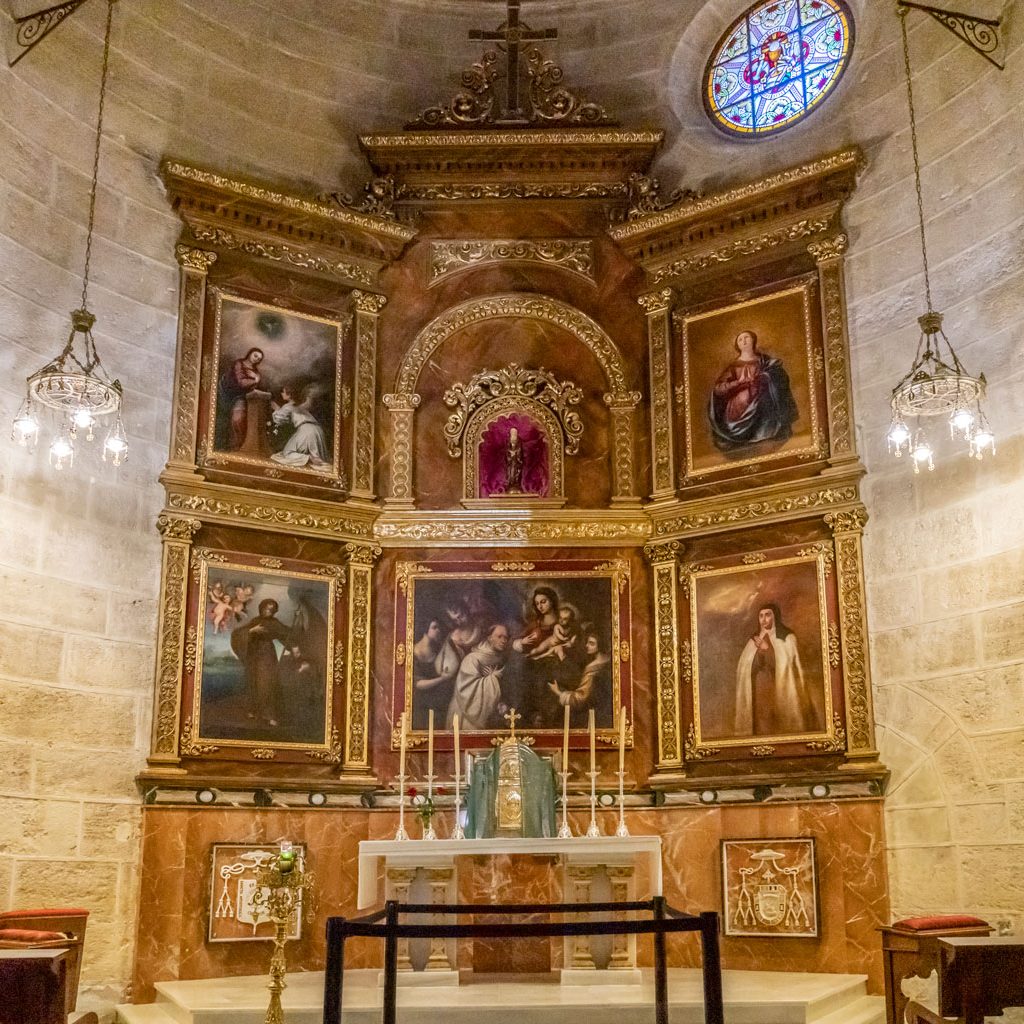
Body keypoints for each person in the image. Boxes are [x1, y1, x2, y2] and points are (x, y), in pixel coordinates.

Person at [733, 603, 817, 737]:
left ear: (775, 617)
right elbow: (745, 668)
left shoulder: (787, 638)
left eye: (767, 615)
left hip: (778, 688)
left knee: (779, 722)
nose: (764, 619)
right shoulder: (754, 640)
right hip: (759, 690)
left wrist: (768, 650)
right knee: (761, 723)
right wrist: (759, 654)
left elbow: (788, 666)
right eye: (761, 616)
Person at [707, 330, 798, 452]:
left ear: (753, 340)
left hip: (762, 399)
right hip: (739, 406)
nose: (743, 341)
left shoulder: (764, 360)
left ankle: (766, 432)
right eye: (740, 339)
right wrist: (738, 383)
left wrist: (764, 377)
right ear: (737, 345)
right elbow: (718, 389)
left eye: (746, 338)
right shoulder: (734, 366)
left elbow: (779, 376)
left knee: (764, 397)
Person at [230, 598, 290, 727]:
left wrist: (294, 642)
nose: (268, 611)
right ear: (261, 608)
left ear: (274, 611)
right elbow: (238, 634)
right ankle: (253, 710)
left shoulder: (275, 623)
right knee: (253, 681)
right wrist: (252, 631)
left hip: (267, 654)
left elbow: (286, 634)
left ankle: (270, 715)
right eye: (266, 608)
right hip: (253, 655)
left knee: (267, 682)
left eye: (271, 609)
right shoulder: (255, 621)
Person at [447, 623, 510, 730]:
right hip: (466, 714)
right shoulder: (472, 658)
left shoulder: (500, 659)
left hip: (489, 714)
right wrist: (493, 678)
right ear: (489, 638)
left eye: (506, 637)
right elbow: (466, 690)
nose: (504, 640)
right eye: (499, 636)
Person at [547, 626, 612, 727]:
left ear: (600, 645)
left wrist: (558, 693)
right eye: (587, 642)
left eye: (592, 643)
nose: (587, 646)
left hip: (591, 715)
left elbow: (579, 699)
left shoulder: (592, 668)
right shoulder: (607, 661)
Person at [270, 384, 330, 469]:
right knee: (319, 459)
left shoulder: (288, 406)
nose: (281, 394)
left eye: (283, 392)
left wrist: (276, 409)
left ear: (289, 394)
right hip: (317, 430)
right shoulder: (301, 406)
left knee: (287, 453)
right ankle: (313, 458)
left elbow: (279, 419)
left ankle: (309, 458)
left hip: (306, 430)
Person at [216, 348, 267, 450]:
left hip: (244, 397)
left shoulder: (256, 372)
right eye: (255, 355)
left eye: (259, 359)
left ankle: (237, 446)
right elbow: (241, 382)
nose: (256, 359)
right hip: (230, 393)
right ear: (250, 353)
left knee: (239, 420)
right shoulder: (239, 364)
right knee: (230, 420)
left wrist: (254, 381)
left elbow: (253, 387)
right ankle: (228, 446)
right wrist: (254, 380)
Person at [504, 426, 524, 493]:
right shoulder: (507, 441)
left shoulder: (519, 441)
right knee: (510, 474)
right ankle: (510, 484)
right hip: (510, 463)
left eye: (515, 433)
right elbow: (506, 451)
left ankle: (516, 484)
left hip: (517, 462)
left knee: (517, 474)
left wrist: (515, 454)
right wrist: (510, 454)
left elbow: (520, 451)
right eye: (512, 433)